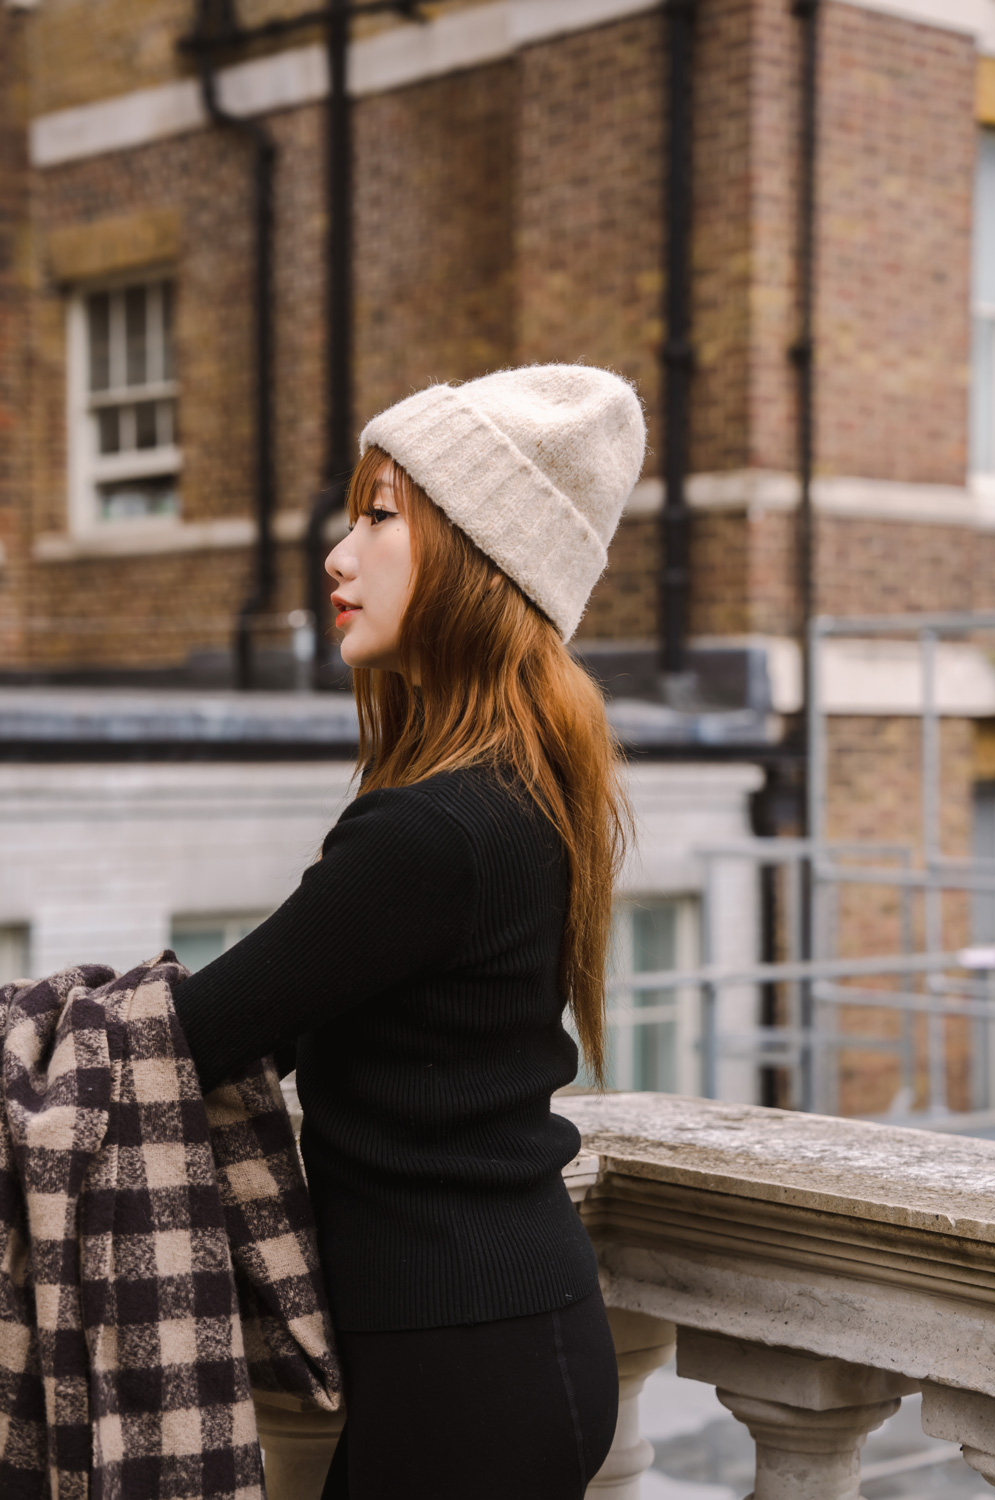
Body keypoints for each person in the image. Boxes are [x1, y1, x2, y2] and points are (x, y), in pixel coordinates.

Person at [172, 363, 646, 1500]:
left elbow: (198, 1032)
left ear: (482, 558)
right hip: (490, 1346)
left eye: (380, 517)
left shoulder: (434, 830)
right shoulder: (512, 792)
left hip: (469, 1373)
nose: (338, 556)